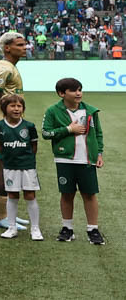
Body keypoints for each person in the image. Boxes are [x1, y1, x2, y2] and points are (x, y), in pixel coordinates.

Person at [41, 77, 105, 244]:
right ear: (62, 93)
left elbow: (98, 133)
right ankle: (67, 228)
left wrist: (99, 154)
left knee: (89, 194)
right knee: (67, 194)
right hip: (65, 160)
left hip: (87, 161)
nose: (78, 93)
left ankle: (93, 229)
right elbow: (46, 133)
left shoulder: (90, 111)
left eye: (80, 89)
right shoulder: (53, 111)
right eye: (74, 90)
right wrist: (69, 129)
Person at [0, 31, 28, 230]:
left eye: (24, 44)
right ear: (7, 48)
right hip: (4, 127)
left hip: (13, 125)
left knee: (12, 169)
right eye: (20, 44)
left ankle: (9, 214)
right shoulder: (2, 68)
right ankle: (1, 216)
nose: (24, 47)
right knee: (5, 168)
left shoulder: (10, 67)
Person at [0, 93, 42, 240]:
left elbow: (34, 146)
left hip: (27, 166)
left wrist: (26, 159)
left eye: (19, 106)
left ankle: (35, 229)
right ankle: (11, 227)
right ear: (4, 108)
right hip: (10, 166)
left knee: (30, 195)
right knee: (12, 195)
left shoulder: (29, 126)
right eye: (12, 106)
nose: (16, 109)